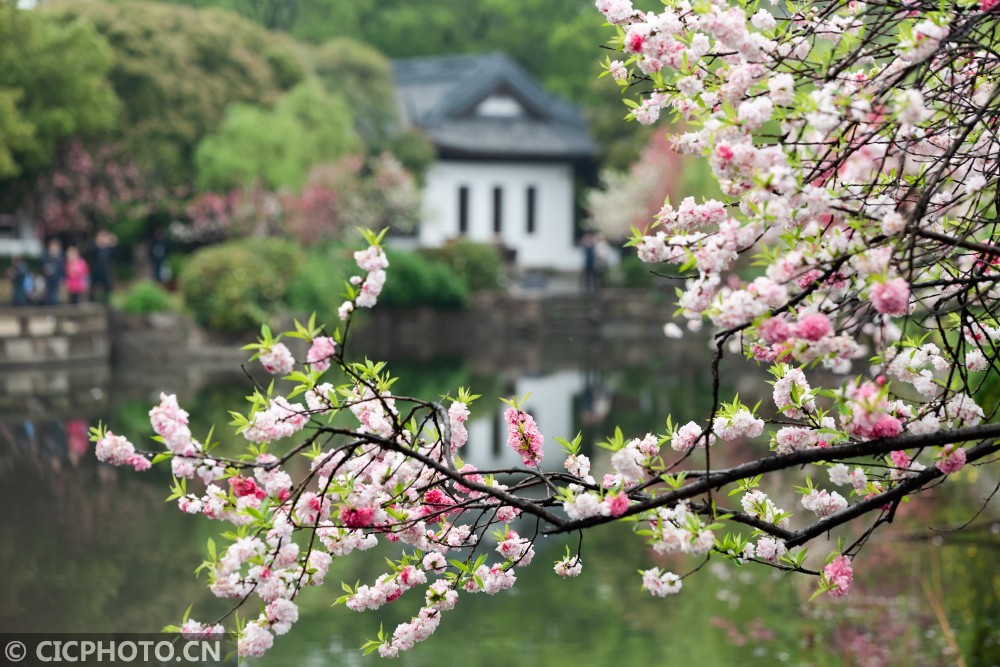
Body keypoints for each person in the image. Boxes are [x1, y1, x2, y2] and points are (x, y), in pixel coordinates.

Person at [90, 229, 117, 302]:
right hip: (96, 270)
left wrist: (113, 243)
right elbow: (90, 253)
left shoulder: (108, 249)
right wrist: (97, 243)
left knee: (107, 287)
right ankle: (92, 300)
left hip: (106, 271)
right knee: (94, 286)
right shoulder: (95, 247)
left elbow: (116, 254)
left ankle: (106, 300)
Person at [41, 239, 64, 305]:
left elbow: (62, 269)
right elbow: (44, 266)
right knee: (48, 295)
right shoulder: (46, 256)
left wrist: (62, 279)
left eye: (55, 248)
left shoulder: (61, 257)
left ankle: (55, 311)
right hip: (48, 279)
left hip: (56, 279)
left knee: (55, 296)